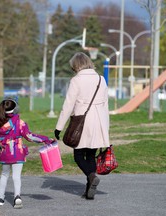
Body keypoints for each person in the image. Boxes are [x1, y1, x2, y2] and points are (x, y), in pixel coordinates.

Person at [54, 52, 110, 200]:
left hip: (82, 122)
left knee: (78, 155)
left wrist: (59, 127)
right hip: (99, 121)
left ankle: (91, 177)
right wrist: (106, 127)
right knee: (91, 155)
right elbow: (105, 104)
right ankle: (89, 189)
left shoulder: (76, 80)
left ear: (76, 65)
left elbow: (68, 105)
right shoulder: (101, 79)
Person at [0, 97, 55, 209]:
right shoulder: (20, 123)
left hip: (4, 153)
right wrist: (47, 139)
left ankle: (0, 198)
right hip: (18, 152)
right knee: (16, 176)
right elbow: (30, 136)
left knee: (4, 175)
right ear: (15, 109)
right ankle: (17, 197)